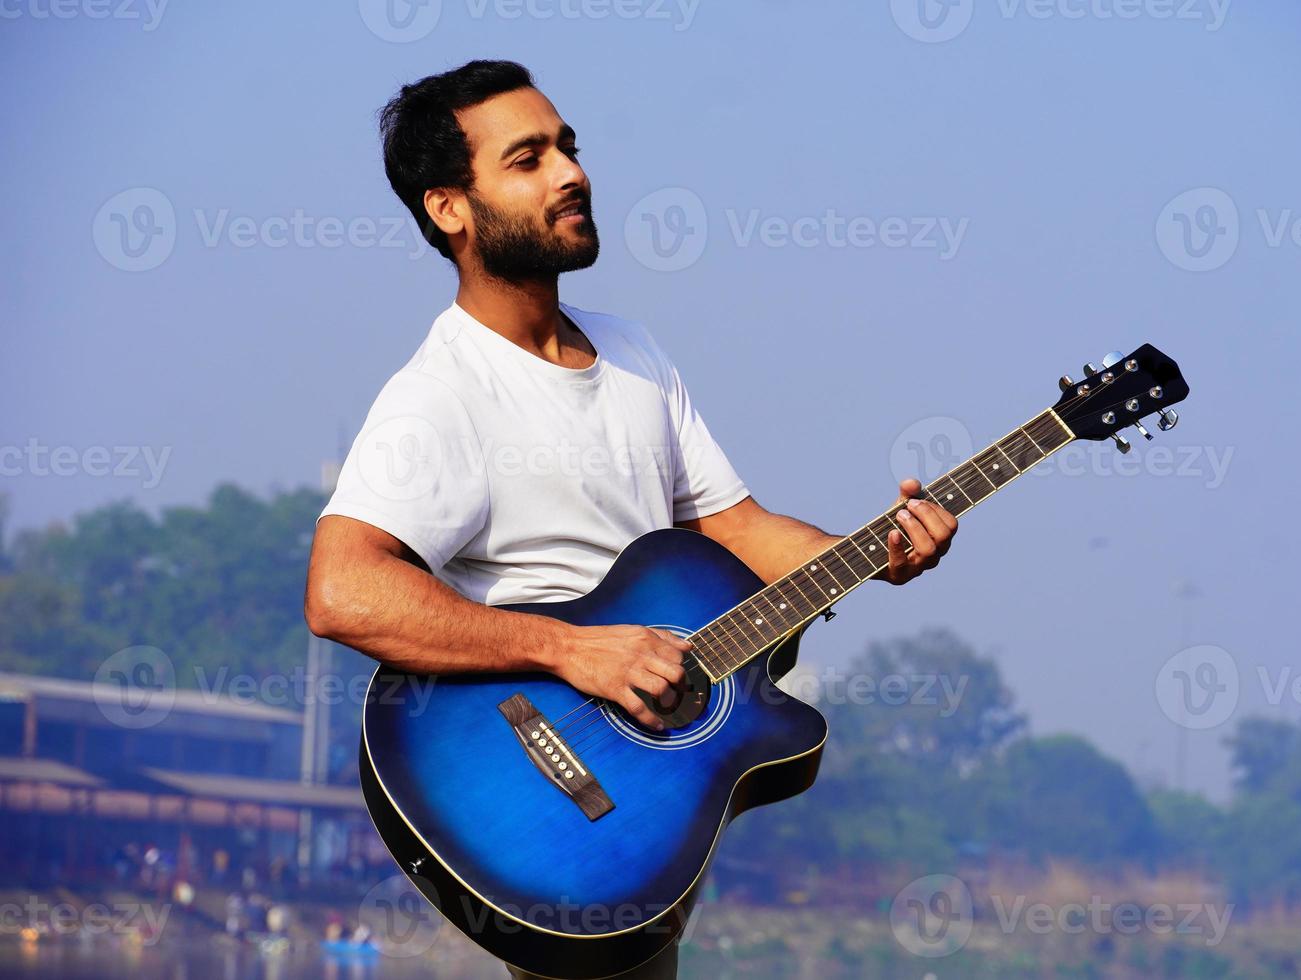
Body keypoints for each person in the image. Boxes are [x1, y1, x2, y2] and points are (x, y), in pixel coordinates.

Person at [304, 59, 959, 980]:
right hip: (541, 798)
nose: (570, 173)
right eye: (527, 158)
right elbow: (341, 592)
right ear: (449, 208)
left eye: (568, 147)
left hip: (645, 801)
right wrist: (573, 651)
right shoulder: (441, 395)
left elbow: (736, 530)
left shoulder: (633, 351)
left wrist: (879, 552)